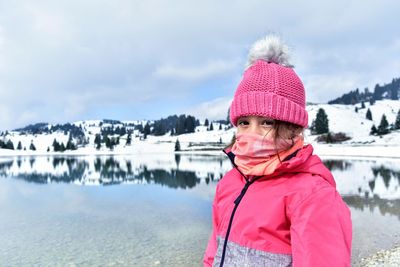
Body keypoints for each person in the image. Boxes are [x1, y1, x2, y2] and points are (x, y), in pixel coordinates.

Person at [203, 35, 352, 267]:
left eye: (267, 122)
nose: (252, 132)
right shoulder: (229, 184)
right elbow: (214, 250)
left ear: (292, 128)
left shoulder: (312, 195)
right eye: (244, 122)